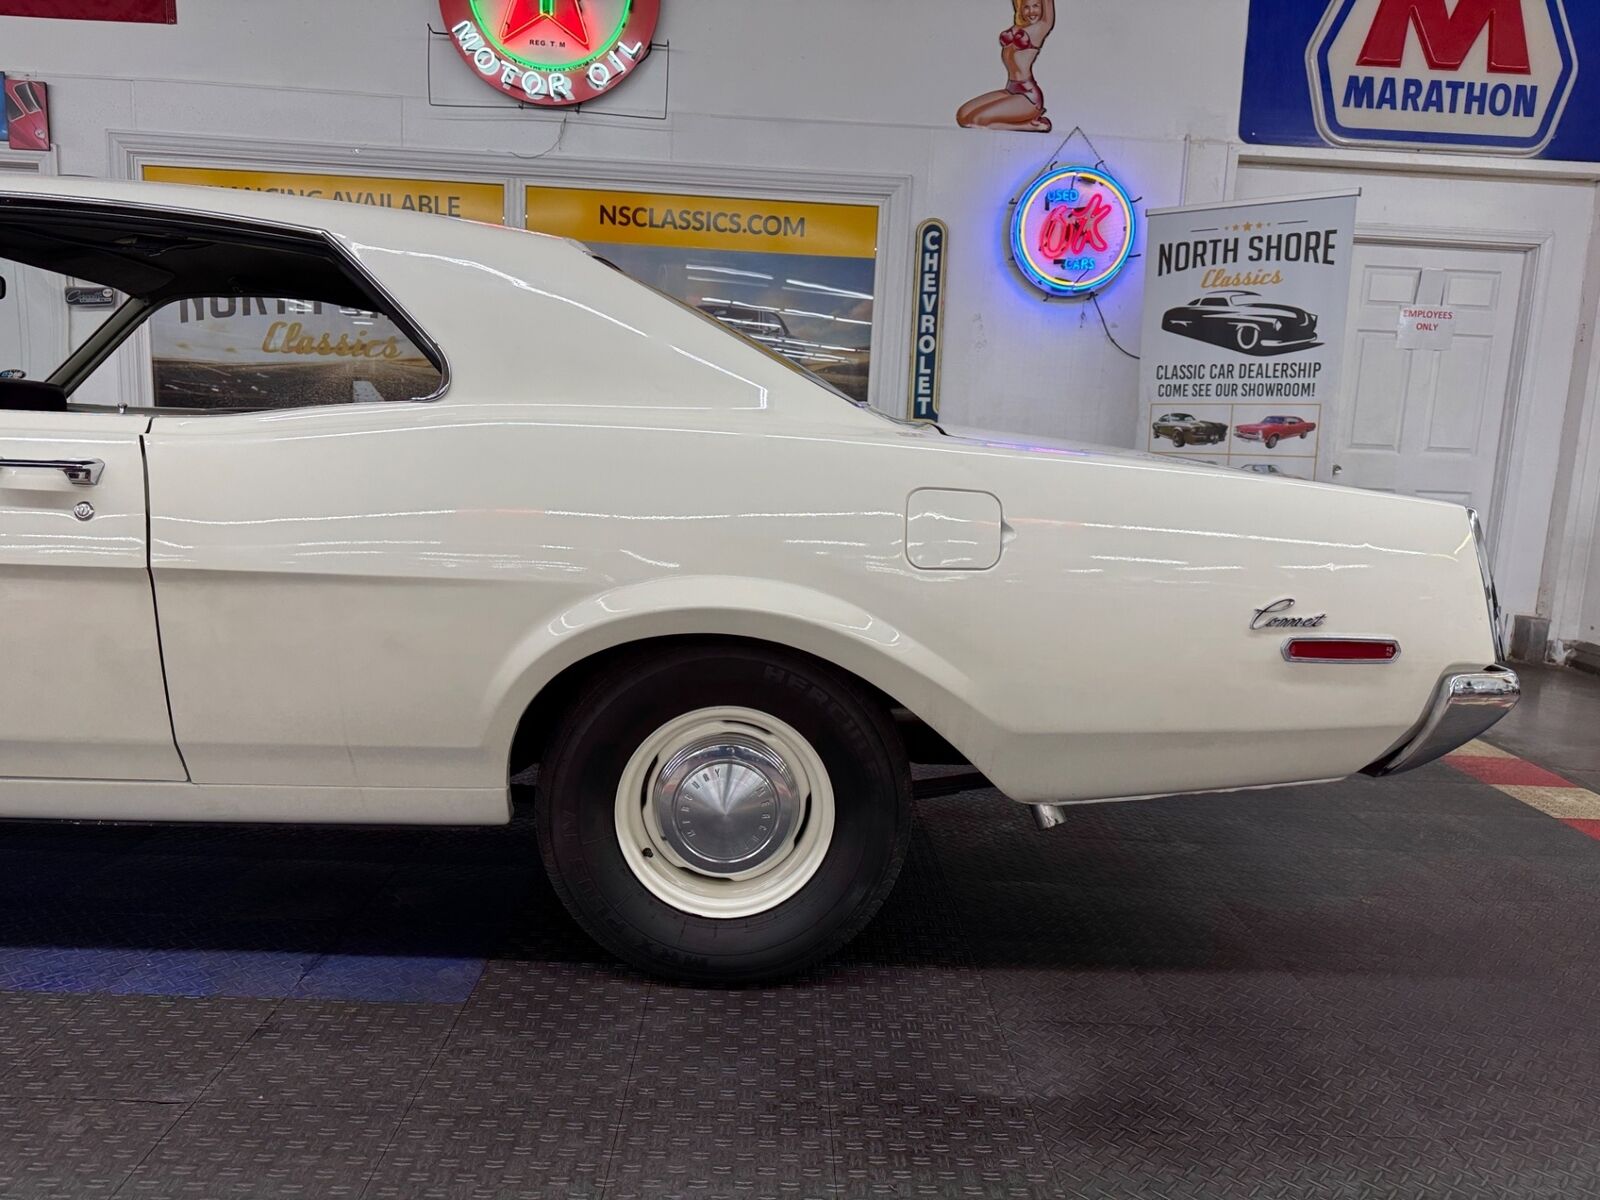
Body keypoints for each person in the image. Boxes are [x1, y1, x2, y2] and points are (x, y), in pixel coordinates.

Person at [957, 0, 1056, 132]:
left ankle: (1028, 126)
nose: (1031, 11)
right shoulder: (1018, 28)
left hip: (1028, 97)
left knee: (976, 121)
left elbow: (1048, 12)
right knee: (963, 116)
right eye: (1026, 7)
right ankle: (1027, 123)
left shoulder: (1040, 28)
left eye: (1036, 6)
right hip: (1011, 89)